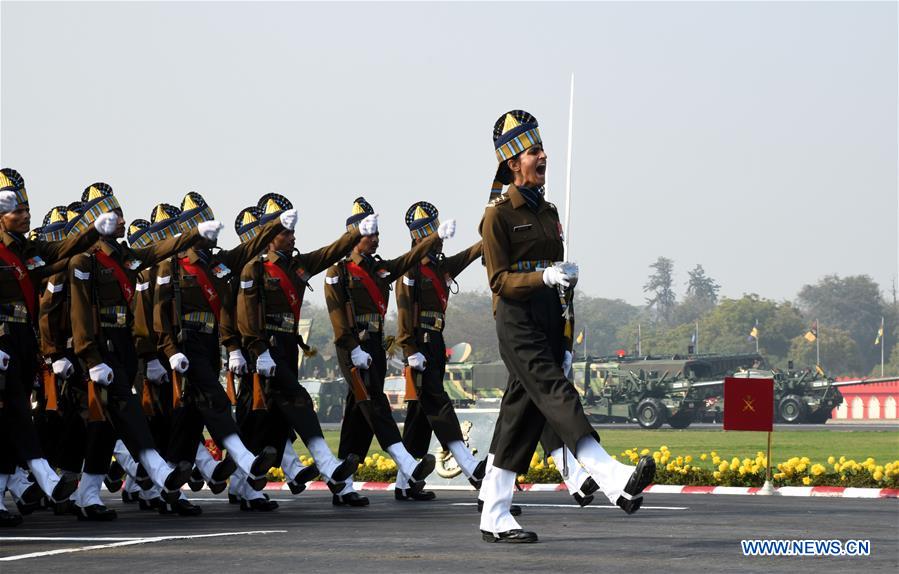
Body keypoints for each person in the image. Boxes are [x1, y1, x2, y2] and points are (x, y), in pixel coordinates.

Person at [478, 111, 655, 543]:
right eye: (533, 152)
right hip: (517, 321)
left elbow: (559, 281)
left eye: (542, 149)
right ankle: (612, 475)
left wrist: (566, 333)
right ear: (513, 163)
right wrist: (544, 276)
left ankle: (494, 512)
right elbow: (499, 281)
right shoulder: (497, 216)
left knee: (518, 418)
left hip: (548, 318)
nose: (543, 157)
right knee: (557, 392)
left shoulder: (549, 211)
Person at [66, 183, 220, 519]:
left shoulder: (125, 258)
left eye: (121, 214)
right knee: (130, 416)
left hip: (124, 348)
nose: (122, 220)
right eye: (114, 215)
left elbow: (156, 251)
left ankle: (89, 496)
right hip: (100, 351)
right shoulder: (83, 261)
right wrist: (90, 357)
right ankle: (160, 478)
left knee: (107, 427)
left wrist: (194, 233)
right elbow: (78, 315)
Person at [236, 193, 376, 508]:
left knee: (269, 420)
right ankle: (328, 465)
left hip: (288, 346)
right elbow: (246, 317)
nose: (293, 237)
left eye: (292, 231)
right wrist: (258, 350)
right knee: (299, 400)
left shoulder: (298, 266)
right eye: (285, 232)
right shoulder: (253, 268)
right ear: (269, 237)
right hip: (266, 348)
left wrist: (355, 232)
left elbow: (331, 252)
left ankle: (248, 489)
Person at [153, 192, 293, 501]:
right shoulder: (171, 266)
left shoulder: (217, 263)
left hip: (208, 344)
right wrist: (169, 350)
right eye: (206, 224)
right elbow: (159, 315)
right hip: (186, 344)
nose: (214, 229)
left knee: (189, 417)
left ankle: (169, 487)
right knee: (216, 400)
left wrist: (275, 225)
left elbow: (250, 248)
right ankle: (245, 459)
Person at [0, 168, 117, 521]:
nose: (26, 215)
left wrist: (93, 230)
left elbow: (63, 248)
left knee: (11, 417)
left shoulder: (28, 249)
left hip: (23, 341)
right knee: (17, 412)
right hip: (2, 338)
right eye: (17, 210)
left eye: (27, 209)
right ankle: (44, 478)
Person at [323, 197, 453, 506]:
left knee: (358, 415)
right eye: (369, 233)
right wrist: (353, 348)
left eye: (377, 233)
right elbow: (338, 318)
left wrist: (435, 237)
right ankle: (405, 464)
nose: (376, 238)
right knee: (375, 405)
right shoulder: (339, 270)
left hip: (376, 346)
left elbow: (409, 259)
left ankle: (342, 484)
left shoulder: (379, 269)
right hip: (355, 346)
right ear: (354, 236)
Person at [394, 201, 485, 501]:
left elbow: (470, 255)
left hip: (434, 341)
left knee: (419, 416)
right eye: (432, 232)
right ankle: (471, 468)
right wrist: (409, 348)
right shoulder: (409, 267)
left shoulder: (438, 266)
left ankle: (404, 483)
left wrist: (491, 235)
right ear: (419, 236)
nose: (439, 238)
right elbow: (404, 310)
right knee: (437, 402)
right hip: (418, 343)